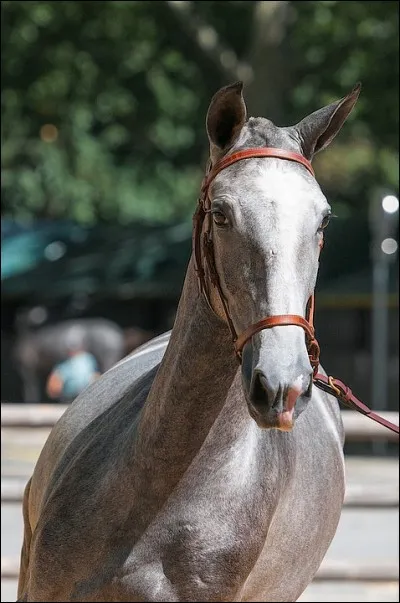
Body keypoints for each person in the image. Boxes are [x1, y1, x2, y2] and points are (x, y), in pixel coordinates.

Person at [46, 327, 100, 403]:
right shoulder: (89, 359)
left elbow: (53, 389)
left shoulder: (64, 365)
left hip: (73, 402)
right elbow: (96, 378)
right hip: (85, 400)